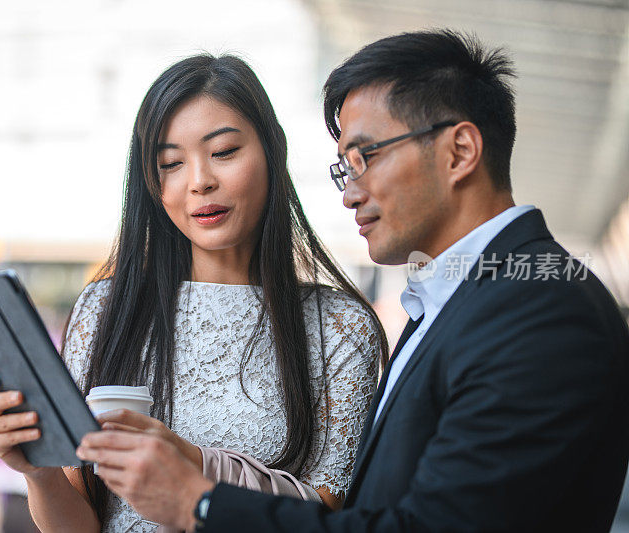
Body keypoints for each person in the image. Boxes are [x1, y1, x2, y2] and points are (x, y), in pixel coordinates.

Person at [77, 30, 629, 532]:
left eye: (366, 157)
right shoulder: (456, 305)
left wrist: (200, 500)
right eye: (344, 165)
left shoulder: (541, 310)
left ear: (460, 151)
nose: (349, 192)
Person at [0, 54, 388, 532]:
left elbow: (324, 517)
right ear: (153, 183)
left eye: (224, 151)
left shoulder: (339, 326)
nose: (199, 181)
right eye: (171, 163)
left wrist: (187, 463)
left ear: (273, 153)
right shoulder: (106, 311)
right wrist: (39, 470)